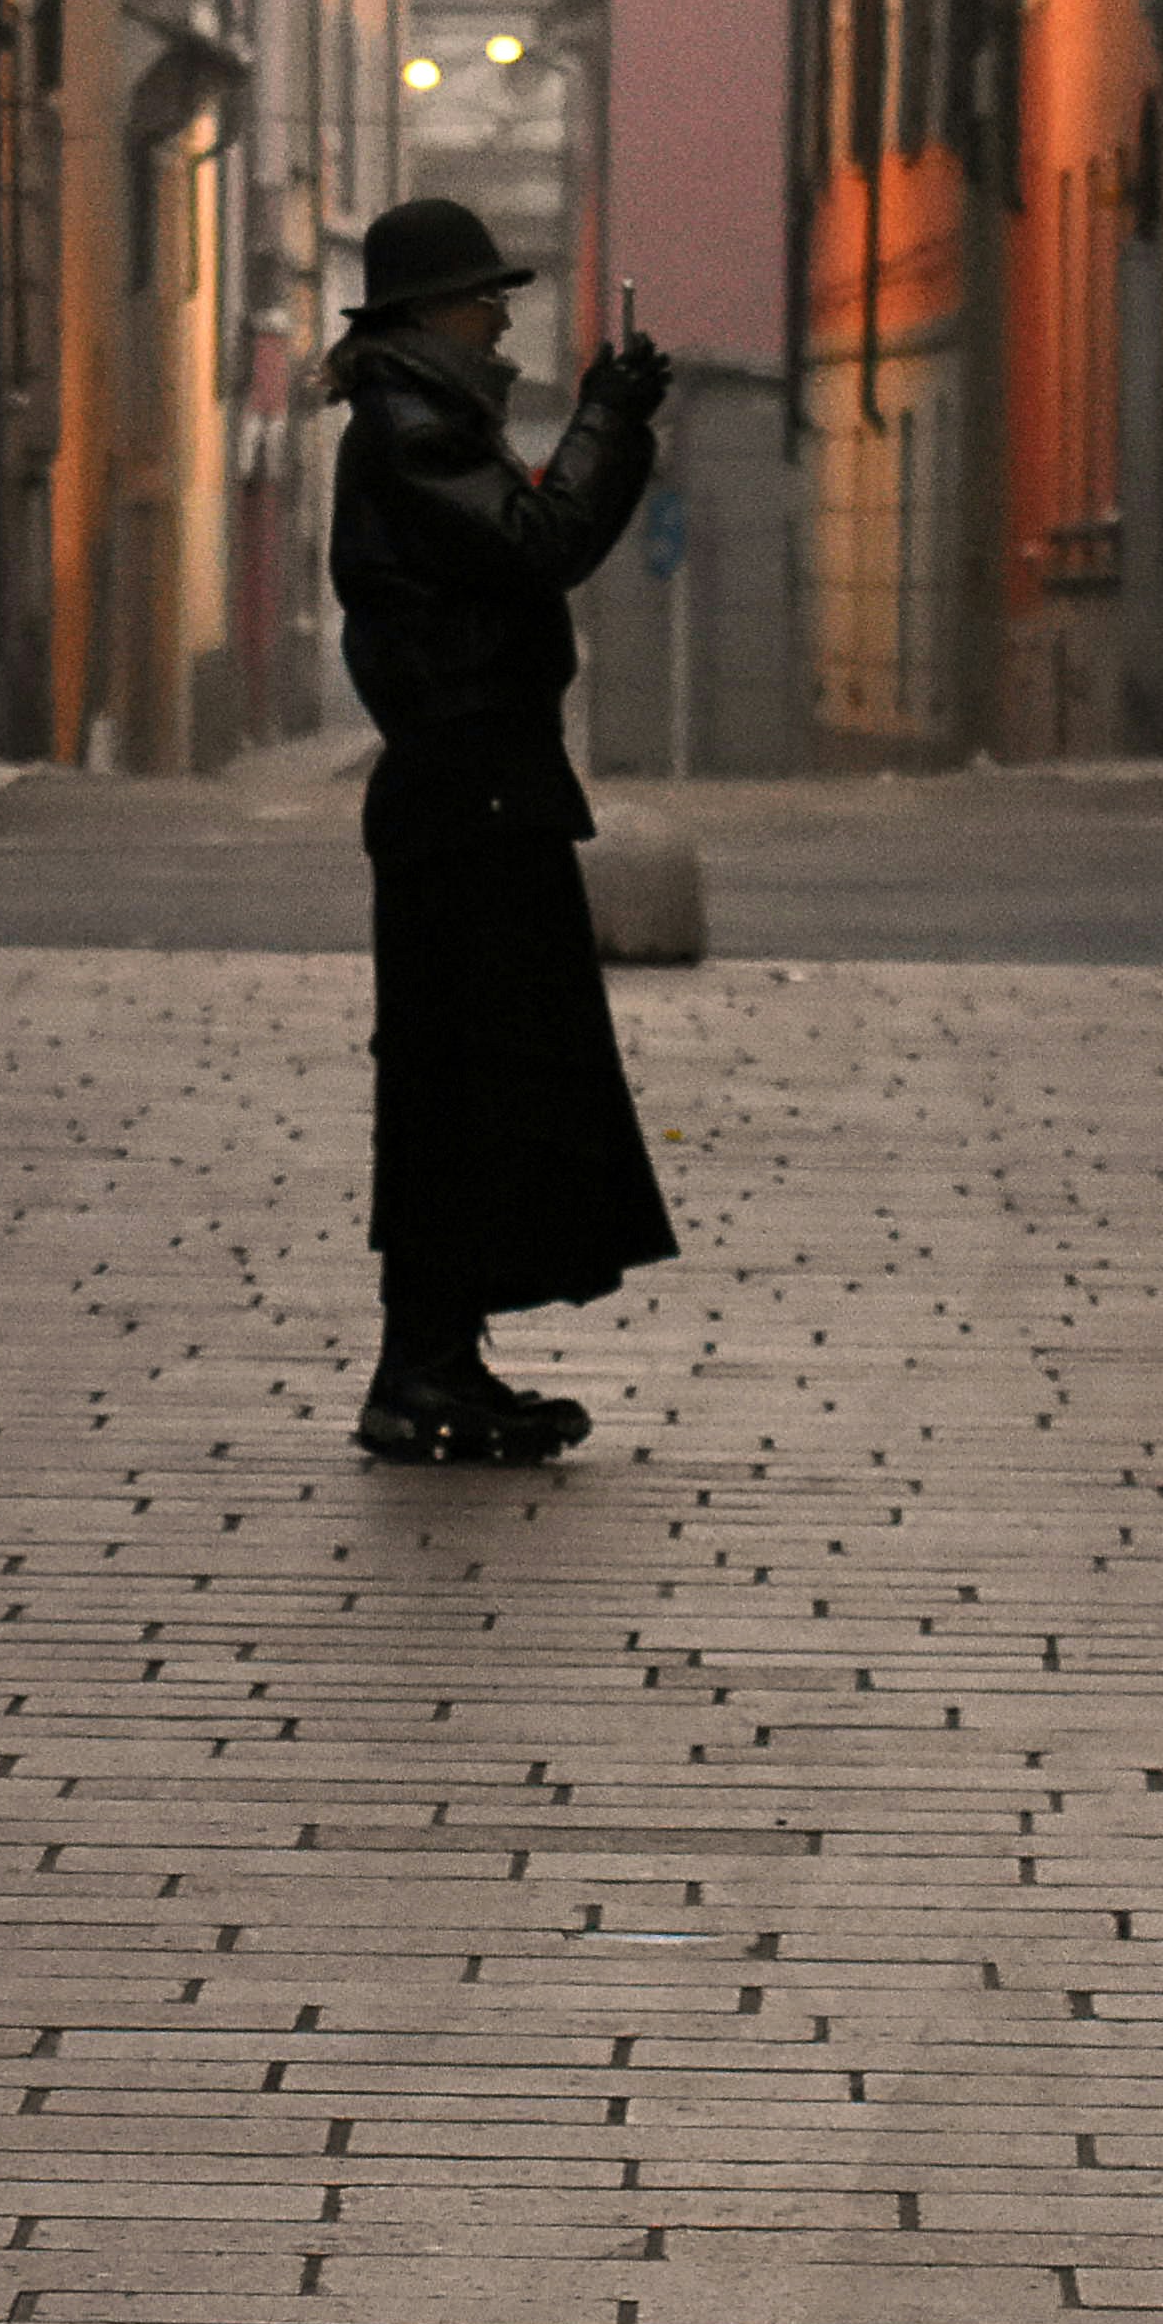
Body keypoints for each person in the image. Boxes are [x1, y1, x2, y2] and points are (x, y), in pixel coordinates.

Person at [323, 195, 679, 1464]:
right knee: (458, 1084)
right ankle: (416, 1368)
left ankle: (441, 1359)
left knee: (470, 1085)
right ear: (429, 315)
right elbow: (542, 540)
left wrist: (598, 425)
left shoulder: (426, 420)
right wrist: (607, 421)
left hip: (478, 788)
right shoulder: (414, 431)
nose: (503, 312)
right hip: (465, 793)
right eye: (484, 295)